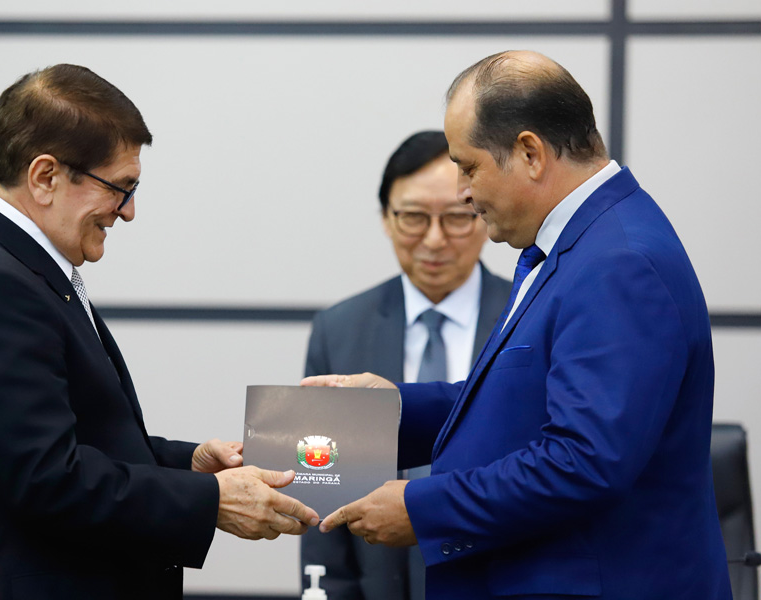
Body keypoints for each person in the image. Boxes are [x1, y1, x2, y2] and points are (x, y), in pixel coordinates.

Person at [303, 51, 731, 599]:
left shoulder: (618, 263)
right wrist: (390, 413)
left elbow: (583, 462)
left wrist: (422, 507)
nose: (462, 190)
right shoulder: (583, 245)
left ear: (529, 152)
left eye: (469, 165)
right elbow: (521, 402)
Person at [0, 64, 318, 600]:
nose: (128, 212)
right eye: (119, 188)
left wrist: (186, 465)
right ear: (45, 176)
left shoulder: (12, 265)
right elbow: (49, 480)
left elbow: (75, 437)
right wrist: (211, 500)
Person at [300, 130, 511, 600]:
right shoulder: (340, 328)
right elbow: (321, 491)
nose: (434, 241)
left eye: (457, 217)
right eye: (413, 217)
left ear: (480, 214)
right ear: (385, 219)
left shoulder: (524, 321)